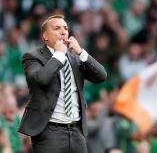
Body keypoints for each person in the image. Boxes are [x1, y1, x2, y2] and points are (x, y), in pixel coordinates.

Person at [18, 14, 107, 153]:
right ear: (45, 36)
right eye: (57, 28)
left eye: (65, 28)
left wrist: (81, 52)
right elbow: (41, 79)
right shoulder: (32, 57)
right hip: (49, 133)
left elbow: (101, 76)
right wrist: (59, 55)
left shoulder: (75, 58)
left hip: (77, 131)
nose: (63, 31)